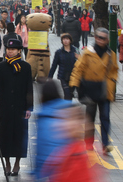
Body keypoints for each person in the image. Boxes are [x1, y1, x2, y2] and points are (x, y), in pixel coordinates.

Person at [69, 27, 119, 155]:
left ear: (107, 40)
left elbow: (114, 71)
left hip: (104, 90)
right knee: (90, 119)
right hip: (90, 90)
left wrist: (112, 85)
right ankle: (88, 143)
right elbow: (78, 69)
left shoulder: (111, 54)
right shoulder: (87, 53)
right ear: (95, 38)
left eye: (104, 38)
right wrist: (73, 84)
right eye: (98, 38)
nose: (101, 40)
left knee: (105, 118)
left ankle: (105, 144)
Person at [0, 39, 33, 176]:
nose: (10, 51)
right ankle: (7, 162)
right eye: (8, 49)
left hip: (20, 107)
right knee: (4, 135)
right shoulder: (1, 66)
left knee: (20, 136)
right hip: (5, 107)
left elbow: (29, 88)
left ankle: (17, 163)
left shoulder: (26, 67)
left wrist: (29, 108)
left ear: (19, 50)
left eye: (13, 49)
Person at [34, 80, 73, 180]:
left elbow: (40, 150)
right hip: (68, 168)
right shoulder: (69, 110)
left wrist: (37, 174)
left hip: (49, 170)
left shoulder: (42, 116)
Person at [48, 33, 78, 100]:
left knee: (70, 94)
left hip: (73, 76)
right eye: (64, 39)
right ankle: (67, 108)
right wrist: (50, 77)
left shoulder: (75, 50)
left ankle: (68, 108)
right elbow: (54, 65)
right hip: (63, 76)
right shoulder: (59, 52)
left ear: (70, 40)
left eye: (67, 39)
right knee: (67, 94)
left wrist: (79, 58)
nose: (65, 41)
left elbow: (81, 63)